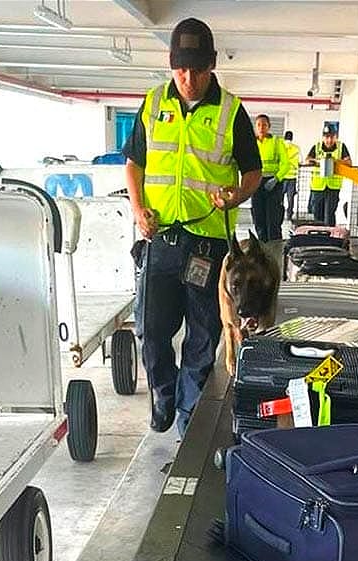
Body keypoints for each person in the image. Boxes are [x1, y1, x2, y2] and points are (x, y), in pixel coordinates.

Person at [123, 17, 262, 435]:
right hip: (161, 239)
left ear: (211, 66)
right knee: (151, 329)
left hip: (207, 244)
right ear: (171, 66)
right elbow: (135, 164)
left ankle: (187, 417)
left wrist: (236, 194)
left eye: (198, 70)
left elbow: (252, 173)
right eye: (182, 70)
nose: (189, 79)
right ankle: (163, 394)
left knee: (202, 335)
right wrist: (138, 208)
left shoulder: (232, 111)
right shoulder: (152, 104)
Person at [251, 114, 290, 242]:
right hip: (256, 183)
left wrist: (276, 179)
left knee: (273, 220)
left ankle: (275, 250)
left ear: (269, 127)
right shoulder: (251, 142)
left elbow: (286, 164)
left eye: (264, 125)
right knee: (258, 218)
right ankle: (261, 247)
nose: (261, 127)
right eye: (259, 125)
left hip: (273, 184)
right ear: (255, 127)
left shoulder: (276, 142)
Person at [306, 125, 351, 225]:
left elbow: (348, 162)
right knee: (317, 213)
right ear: (323, 137)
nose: (329, 140)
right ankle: (318, 236)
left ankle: (330, 237)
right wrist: (319, 162)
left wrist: (335, 162)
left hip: (333, 187)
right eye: (327, 137)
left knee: (330, 213)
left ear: (336, 137)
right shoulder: (317, 147)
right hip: (318, 186)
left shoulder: (341, 147)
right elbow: (307, 160)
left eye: (332, 137)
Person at [282, 130, 301, 221]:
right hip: (292, 177)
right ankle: (289, 215)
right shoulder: (296, 148)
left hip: (281, 176)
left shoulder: (281, 146)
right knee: (290, 199)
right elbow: (300, 161)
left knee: (279, 198)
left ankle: (279, 214)